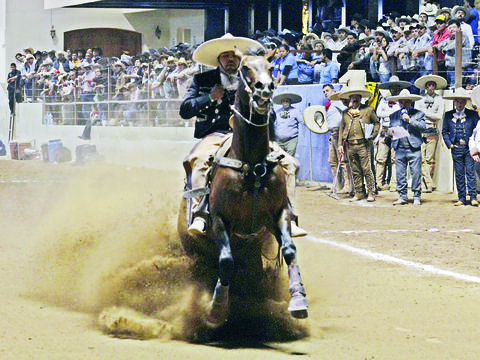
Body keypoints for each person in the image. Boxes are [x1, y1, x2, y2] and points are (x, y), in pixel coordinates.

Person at [179, 33, 307, 237]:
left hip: (251, 137)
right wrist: (208, 98)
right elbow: (185, 110)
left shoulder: (252, 78)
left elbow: (269, 111)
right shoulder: (202, 80)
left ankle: (288, 215)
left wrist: (265, 109)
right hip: (216, 135)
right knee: (199, 160)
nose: (230, 59)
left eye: (234, 56)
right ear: (218, 60)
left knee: (291, 164)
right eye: (225, 56)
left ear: (240, 61)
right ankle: (200, 213)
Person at [338, 71, 380, 202]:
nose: (354, 99)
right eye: (352, 97)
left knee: (367, 169)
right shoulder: (345, 113)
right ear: (350, 98)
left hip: (363, 144)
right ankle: (359, 192)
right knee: (355, 169)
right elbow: (341, 129)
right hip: (350, 144)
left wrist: (373, 134)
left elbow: (377, 123)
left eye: (357, 97)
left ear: (360, 98)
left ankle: (371, 192)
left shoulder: (368, 110)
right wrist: (340, 144)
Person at [387, 89, 426, 206]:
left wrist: (410, 120)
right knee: (400, 173)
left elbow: (423, 127)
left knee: (416, 173)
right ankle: (402, 195)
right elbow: (389, 128)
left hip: (414, 148)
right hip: (399, 148)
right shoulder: (393, 115)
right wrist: (390, 132)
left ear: (410, 102)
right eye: (401, 102)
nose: (404, 104)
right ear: (399, 103)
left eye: (406, 102)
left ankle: (416, 195)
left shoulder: (418, 114)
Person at [442, 87, 479, 206]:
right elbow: (444, 131)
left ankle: (473, 196)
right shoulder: (448, 115)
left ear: (465, 102)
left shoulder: (472, 115)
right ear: (454, 102)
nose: (459, 104)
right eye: (457, 101)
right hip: (456, 148)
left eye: (462, 101)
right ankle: (461, 197)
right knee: (459, 174)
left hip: (469, 148)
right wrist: (450, 144)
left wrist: (475, 146)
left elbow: (477, 131)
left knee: (470, 172)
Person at [375, 76, 411, 192]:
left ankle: (393, 183)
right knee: (381, 158)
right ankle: (378, 182)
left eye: (396, 87)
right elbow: (379, 113)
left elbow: (399, 113)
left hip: (397, 131)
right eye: (392, 87)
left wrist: (389, 114)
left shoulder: (402, 101)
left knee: (395, 159)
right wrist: (391, 114)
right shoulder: (383, 100)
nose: (394, 89)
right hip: (384, 130)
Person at [414, 74, 447, 193]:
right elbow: (417, 115)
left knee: (429, 159)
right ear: (426, 86)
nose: (431, 87)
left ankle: (427, 184)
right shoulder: (420, 99)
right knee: (421, 158)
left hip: (432, 130)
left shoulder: (439, 99)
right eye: (429, 85)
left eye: (433, 85)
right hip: (421, 130)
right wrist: (427, 114)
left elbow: (438, 116)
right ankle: (427, 183)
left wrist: (425, 113)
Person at [323, 84, 350, 194]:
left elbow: (347, 112)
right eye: (324, 91)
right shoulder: (329, 105)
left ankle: (347, 185)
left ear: (333, 91)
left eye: (327, 90)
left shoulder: (338, 102)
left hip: (339, 132)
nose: (325, 93)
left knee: (343, 160)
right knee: (332, 161)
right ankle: (336, 185)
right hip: (332, 133)